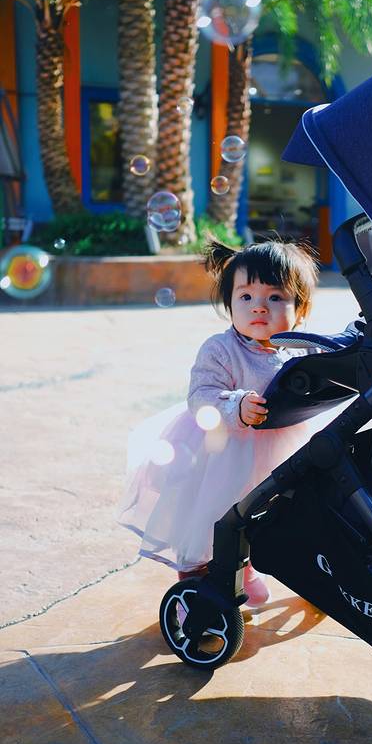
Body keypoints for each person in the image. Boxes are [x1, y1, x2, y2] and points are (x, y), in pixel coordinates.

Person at [117, 237, 320, 608]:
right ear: (229, 304)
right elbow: (201, 396)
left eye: (275, 297)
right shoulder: (221, 349)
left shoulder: (301, 347)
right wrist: (236, 406)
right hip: (221, 452)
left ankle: (243, 569)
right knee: (210, 516)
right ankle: (195, 582)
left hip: (276, 450)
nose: (259, 307)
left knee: (261, 514)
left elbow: (325, 370)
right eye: (246, 296)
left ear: (301, 309)